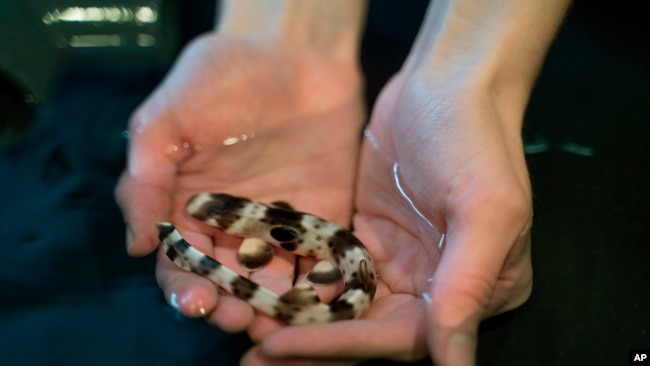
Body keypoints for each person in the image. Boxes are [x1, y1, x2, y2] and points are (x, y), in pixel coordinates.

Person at [114, 0, 570, 364]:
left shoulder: (267, 230)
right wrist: (278, 35)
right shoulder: (271, 224)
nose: (210, 218)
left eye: (216, 214)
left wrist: (469, 83)